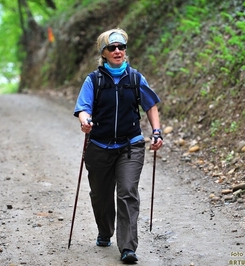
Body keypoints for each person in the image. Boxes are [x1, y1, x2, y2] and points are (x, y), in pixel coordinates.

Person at [73, 28, 163, 263]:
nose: (117, 51)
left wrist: (156, 131)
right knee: (101, 196)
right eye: (112, 48)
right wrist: (85, 122)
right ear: (103, 52)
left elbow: (151, 105)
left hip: (130, 145)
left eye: (121, 47)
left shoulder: (135, 78)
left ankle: (128, 248)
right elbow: (83, 108)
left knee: (127, 193)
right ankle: (105, 231)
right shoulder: (94, 80)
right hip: (99, 146)